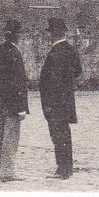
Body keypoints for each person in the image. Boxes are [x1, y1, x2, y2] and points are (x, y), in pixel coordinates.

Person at [0, 18, 29, 182]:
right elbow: (19, 83)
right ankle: (7, 172)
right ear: (18, 36)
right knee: (10, 138)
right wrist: (23, 107)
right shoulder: (15, 54)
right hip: (13, 105)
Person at [38, 16, 83, 179]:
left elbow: (51, 81)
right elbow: (78, 71)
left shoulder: (55, 53)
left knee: (58, 136)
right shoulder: (71, 50)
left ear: (54, 34)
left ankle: (63, 169)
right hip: (66, 101)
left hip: (55, 102)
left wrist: (49, 103)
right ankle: (66, 167)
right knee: (65, 134)